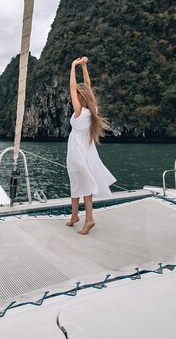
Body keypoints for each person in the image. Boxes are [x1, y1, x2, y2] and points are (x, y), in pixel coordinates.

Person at [66, 56, 116, 235]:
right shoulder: (92, 110)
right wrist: (85, 66)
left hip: (77, 152)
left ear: (80, 96)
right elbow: (87, 83)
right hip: (87, 151)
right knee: (80, 183)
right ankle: (75, 217)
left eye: (77, 94)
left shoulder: (79, 112)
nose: (74, 95)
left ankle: (88, 219)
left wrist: (74, 66)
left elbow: (73, 87)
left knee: (81, 184)